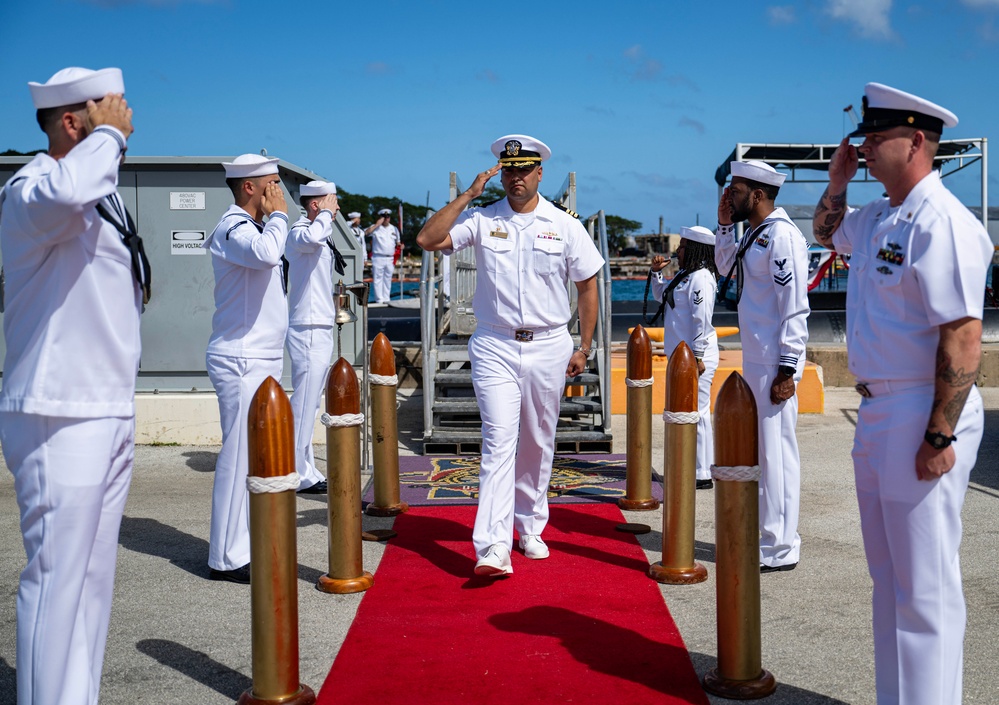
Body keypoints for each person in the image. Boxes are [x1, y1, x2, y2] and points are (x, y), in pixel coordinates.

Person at [813, 83, 990, 705]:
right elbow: (826, 232)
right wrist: (836, 183)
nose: (863, 145)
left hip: (922, 406)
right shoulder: (879, 216)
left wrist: (940, 433)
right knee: (888, 580)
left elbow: (964, 337)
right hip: (880, 407)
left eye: (875, 136)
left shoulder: (943, 222)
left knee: (925, 585)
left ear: (916, 141)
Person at [0, 66, 148, 704]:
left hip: (106, 404)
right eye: (108, 109)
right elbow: (63, 198)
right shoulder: (32, 186)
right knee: (58, 583)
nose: (124, 117)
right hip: (59, 409)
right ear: (72, 121)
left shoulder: (99, 193)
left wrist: (104, 144)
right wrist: (108, 139)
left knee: (90, 582)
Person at [416, 134, 605, 577]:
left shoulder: (564, 225)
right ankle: (492, 547)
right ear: (500, 173)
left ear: (540, 173)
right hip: (495, 344)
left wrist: (584, 346)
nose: (516, 178)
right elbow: (427, 238)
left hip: (549, 344)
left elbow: (587, 287)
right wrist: (467, 195)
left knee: (538, 442)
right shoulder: (481, 220)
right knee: (498, 442)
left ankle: (530, 526)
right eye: (508, 170)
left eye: (524, 170)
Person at [714, 160, 809, 573]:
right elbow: (723, 268)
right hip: (757, 357)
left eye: (735, 190)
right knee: (760, 453)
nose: (728, 196)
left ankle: (781, 547)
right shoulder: (756, 233)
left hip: (774, 361)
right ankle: (768, 537)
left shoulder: (782, 238)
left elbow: (795, 308)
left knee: (777, 456)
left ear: (756, 195)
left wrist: (788, 369)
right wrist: (722, 226)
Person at [204, 153, 290, 584]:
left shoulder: (255, 226)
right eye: (271, 183)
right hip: (240, 358)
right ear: (249, 188)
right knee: (238, 459)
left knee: (255, 459)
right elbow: (265, 255)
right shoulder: (233, 227)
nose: (278, 191)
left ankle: (241, 542)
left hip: (259, 356)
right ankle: (225, 555)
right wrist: (278, 218)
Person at [649, 225, 718, 489]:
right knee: (686, 412)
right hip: (682, 358)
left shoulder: (701, 278)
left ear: (694, 248)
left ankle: (702, 473)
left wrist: (698, 356)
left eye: (682, 246)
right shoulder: (685, 276)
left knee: (698, 413)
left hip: (695, 358)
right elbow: (661, 297)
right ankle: (691, 467)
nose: (677, 250)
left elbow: (702, 320)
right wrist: (657, 274)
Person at [285, 180, 343, 495]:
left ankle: (305, 467)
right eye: (330, 203)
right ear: (315, 205)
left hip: (318, 323)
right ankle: (297, 471)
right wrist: (325, 216)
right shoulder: (299, 232)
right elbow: (311, 235)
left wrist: (325, 217)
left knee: (310, 401)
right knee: (305, 403)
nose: (335, 209)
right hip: (307, 327)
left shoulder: (318, 232)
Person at [366, 207, 400, 303]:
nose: (386, 218)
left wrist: (401, 246)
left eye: (388, 216)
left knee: (388, 279)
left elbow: (398, 242)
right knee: (377, 279)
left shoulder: (394, 229)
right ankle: (379, 299)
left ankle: (386, 298)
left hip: (390, 258)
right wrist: (377, 224)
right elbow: (366, 233)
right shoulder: (376, 228)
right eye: (384, 216)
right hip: (378, 257)